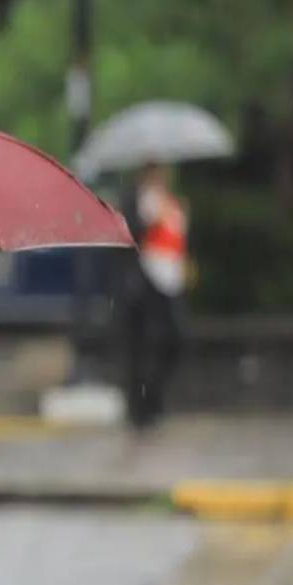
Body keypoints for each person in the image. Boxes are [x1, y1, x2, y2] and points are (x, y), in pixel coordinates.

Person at [123, 163, 189, 429]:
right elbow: (129, 236)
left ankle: (154, 398)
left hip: (170, 280)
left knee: (173, 339)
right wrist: (147, 217)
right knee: (143, 346)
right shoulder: (135, 200)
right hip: (145, 284)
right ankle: (141, 407)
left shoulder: (170, 202)